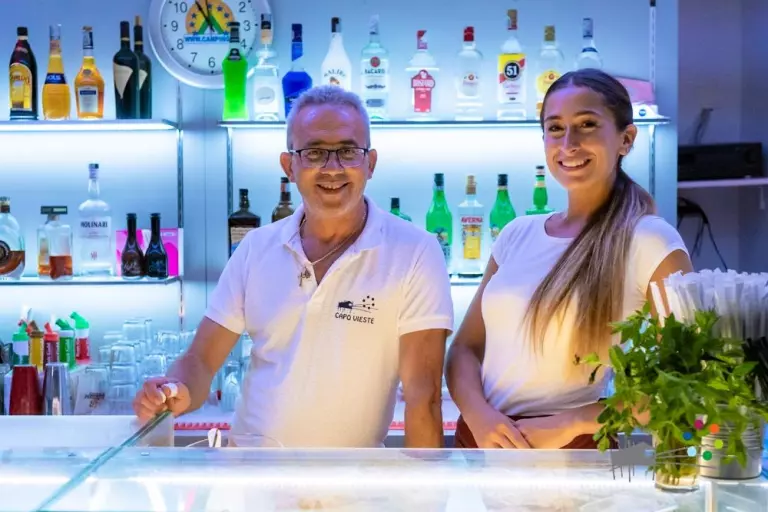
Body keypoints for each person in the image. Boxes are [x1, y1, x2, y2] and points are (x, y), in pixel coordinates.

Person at [133, 85, 453, 448]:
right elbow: (202, 360)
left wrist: (424, 482)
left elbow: (423, 396)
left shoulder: (414, 252)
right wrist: (175, 390)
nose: (332, 168)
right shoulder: (256, 248)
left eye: (348, 152)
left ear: (371, 163)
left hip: (353, 477)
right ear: (290, 166)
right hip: (250, 471)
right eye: (314, 153)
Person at [446, 69, 692, 449]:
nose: (568, 143)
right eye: (555, 128)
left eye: (587, 125)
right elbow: (464, 349)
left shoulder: (651, 242)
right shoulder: (516, 234)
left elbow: (685, 382)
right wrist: (480, 417)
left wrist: (573, 422)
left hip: (572, 453)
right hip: (478, 444)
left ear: (626, 139)